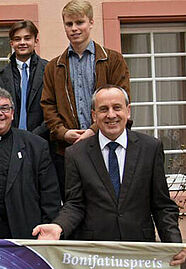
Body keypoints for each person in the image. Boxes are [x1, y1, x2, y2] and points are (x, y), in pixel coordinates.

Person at [33, 85, 186, 266]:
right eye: (103, 109)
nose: (111, 115)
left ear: (128, 111)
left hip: (140, 252)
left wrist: (174, 243)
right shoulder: (76, 153)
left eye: (117, 107)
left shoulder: (150, 148)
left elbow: (162, 205)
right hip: (95, 256)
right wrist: (59, 227)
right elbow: (74, 204)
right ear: (93, 115)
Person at [41, 0, 130, 198]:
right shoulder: (53, 67)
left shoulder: (113, 60)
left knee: (110, 200)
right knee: (75, 204)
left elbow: (122, 101)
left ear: (91, 22)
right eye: (69, 24)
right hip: (68, 150)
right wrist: (64, 133)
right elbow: (48, 105)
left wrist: (92, 131)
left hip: (107, 144)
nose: (74, 29)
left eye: (79, 22)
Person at [0, 88, 60, 239]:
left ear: (12, 114)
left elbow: (50, 195)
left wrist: (47, 229)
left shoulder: (36, 146)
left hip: (26, 233)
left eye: (5, 108)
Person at [0, 20, 48, 138]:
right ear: (11, 43)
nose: (22, 43)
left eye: (27, 38)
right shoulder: (0, 76)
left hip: (43, 140)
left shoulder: (48, 71)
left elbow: (53, 109)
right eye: (17, 39)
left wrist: (34, 136)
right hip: (9, 140)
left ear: (35, 41)